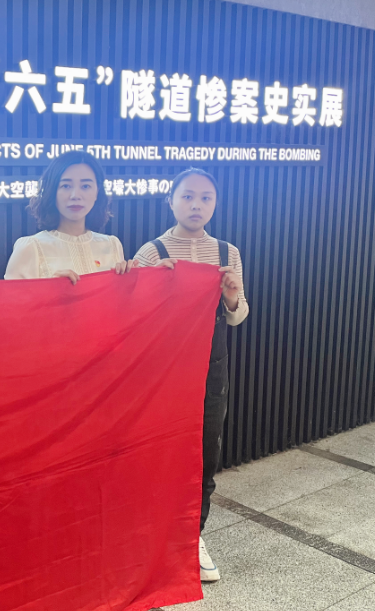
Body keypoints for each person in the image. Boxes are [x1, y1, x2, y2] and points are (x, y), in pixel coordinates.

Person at [134, 168, 248, 583]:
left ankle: (192, 537)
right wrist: (155, 285)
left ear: (215, 204)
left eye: (205, 198)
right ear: (171, 201)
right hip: (163, 371)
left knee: (204, 452)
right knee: (159, 453)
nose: (196, 205)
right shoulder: (152, 252)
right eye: (187, 196)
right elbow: (133, 319)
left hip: (211, 368)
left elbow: (237, 316)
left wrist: (232, 296)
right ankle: (153, 536)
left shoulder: (227, 252)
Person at [4, 150, 137, 281]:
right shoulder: (30, 247)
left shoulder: (112, 245)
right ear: (52, 191)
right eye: (66, 186)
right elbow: (11, 296)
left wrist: (133, 281)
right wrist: (48, 289)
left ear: (97, 192)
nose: (75, 196)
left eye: (85, 186)